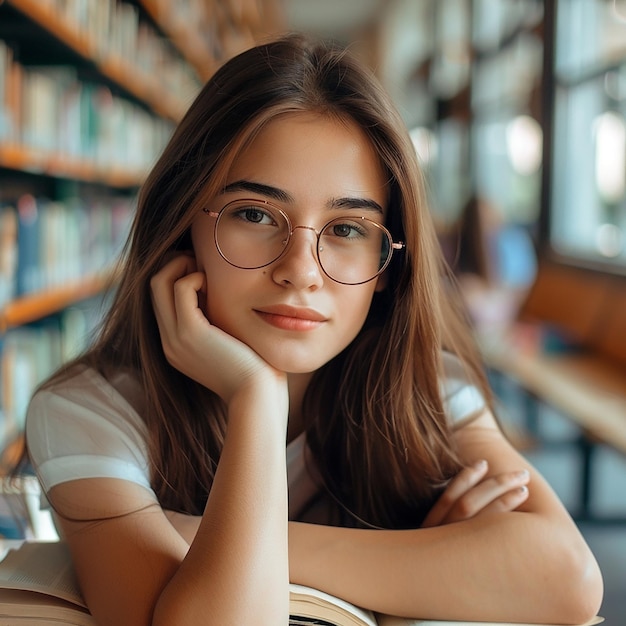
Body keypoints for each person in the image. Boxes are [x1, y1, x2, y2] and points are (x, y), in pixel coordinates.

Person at [23, 34, 602, 626]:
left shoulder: (427, 393)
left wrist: (196, 538)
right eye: (253, 214)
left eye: (348, 228)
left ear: (387, 264)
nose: (299, 272)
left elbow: (570, 578)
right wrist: (255, 399)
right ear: (181, 227)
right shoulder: (88, 414)